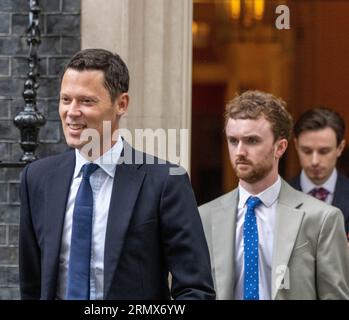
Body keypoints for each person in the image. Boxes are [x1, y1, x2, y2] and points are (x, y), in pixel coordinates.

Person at [19, 48, 215, 300]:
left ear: (121, 104)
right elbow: (31, 286)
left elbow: (195, 289)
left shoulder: (166, 181)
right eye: (66, 99)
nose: (72, 112)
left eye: (86, 101)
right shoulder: (37, 178)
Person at [199, 90, 349, 300]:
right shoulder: (204, 218)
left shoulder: (322, 218)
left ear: (280, 147)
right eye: (233, 141)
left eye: (252, 140)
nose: (240, 151)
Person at [289, 107, 349, 240]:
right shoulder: (278, 196)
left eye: (324, 151)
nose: (314, 161)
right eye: (307, 151)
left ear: (340, 148)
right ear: (296, 145)